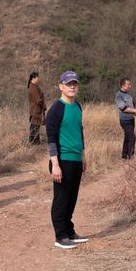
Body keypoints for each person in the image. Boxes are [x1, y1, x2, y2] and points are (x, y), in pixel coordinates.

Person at [46, 70, 89, 250]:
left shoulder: (77, 106)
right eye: (68, 84)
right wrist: (55, 165)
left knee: (72, 198)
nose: (72, 87)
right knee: (61, 199)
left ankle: (69, 231)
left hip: (76, 159)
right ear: (61, 86)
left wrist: (83, 156)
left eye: (74, 84)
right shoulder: (56, 109)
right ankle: (60, 236)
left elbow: (79, 132)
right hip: (62, 161)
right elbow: (51, 139)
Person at [116, 77, 136, 160]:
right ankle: (130, 157)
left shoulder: (128, 95)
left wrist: (134, 109)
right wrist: (134, 110)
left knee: (127, 137)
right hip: (124, 121)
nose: (130, 86)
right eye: (128, 84)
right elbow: (123, 108)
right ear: (123, 85)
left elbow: (132, 104)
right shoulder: (119, 95)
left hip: (131, 119)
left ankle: (124, 156)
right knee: (132, 137)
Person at [27, 71, 45, 145]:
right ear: (33, 78)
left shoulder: (33, 86)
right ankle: (34, 143)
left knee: (35, 126)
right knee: (34, 126)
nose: (38, 78)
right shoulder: (33, 87)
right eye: (37, 77)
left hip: (36, 109)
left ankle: (35, 143)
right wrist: (44, 105)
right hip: (36, 109)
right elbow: (38, 100)